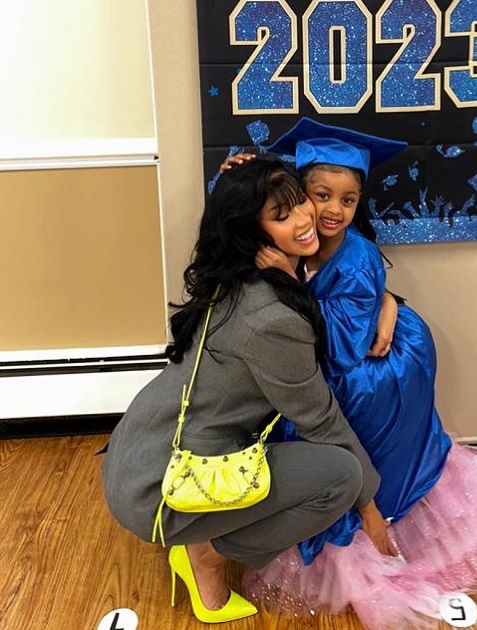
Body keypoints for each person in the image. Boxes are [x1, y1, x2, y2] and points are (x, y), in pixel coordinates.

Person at [228, 119, 477, 630]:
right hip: (346, 353)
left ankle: (366, 512)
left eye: (348, 200)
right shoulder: (296, 236)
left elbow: (340, 347)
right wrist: (240, 173)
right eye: (319, 196)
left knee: (354, 430)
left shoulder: (353, 259)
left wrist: (294, 281)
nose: (332, 210)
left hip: (370, 370)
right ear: (297, 195)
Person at [101, 157, 383, 624]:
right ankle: (206, 555)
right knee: (342, 476)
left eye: (300, 202)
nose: (306, 218)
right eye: (282, 216)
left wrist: (239, 175)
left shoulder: (232, 276)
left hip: (141, 450)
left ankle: (202, 544)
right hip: (162, 487)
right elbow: (320, 418)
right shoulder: (271, 318)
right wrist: (369, 505)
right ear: (252, 234)